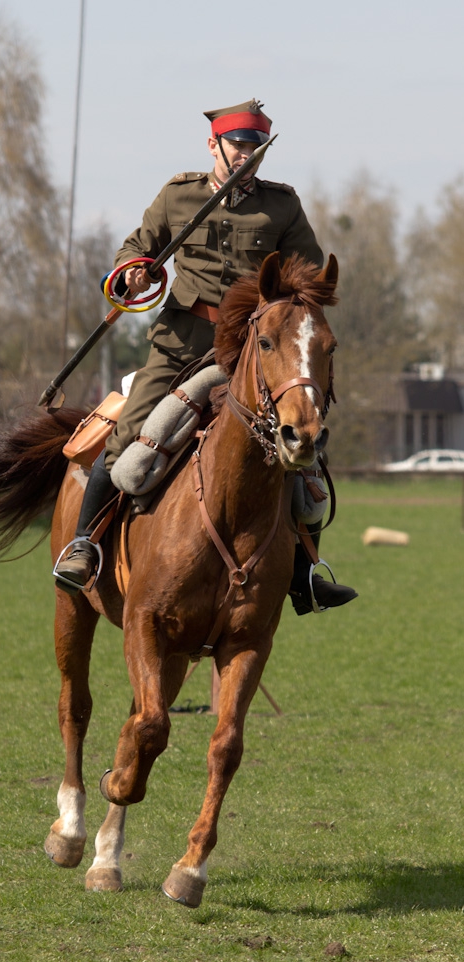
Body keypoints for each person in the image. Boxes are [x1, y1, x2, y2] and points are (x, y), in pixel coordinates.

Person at [54, 99, 356, 614]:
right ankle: (84, 544)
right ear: (213, 144)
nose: (246, 155)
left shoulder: (282, 206)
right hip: (182, 341)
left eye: (255, 147)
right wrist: (133, 273)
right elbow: (135, 248)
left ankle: (304, 572)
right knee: (126, 433)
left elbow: (307, 276)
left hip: (251, 349)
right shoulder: (180, 196)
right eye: (237, 145)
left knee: (302, 449)